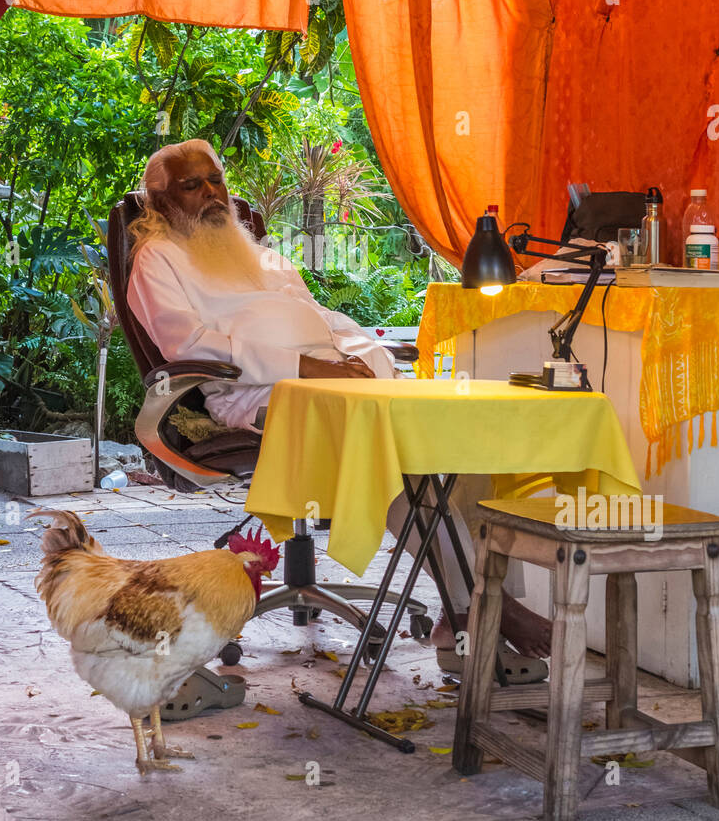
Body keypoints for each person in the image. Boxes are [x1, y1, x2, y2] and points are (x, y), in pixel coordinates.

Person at [126, 138, 551, 669]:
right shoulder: (158, 258)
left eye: (216, 180)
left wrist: (366, 362)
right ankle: (480, 609)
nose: (211, 193)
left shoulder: (260, 256)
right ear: (162, 203)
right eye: (192, 186)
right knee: (393, 458)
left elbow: (330, 325)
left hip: (336, 386)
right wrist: (307, 368)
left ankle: (463, 613)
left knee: (450, 437)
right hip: (256, 393)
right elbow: (189, 346)